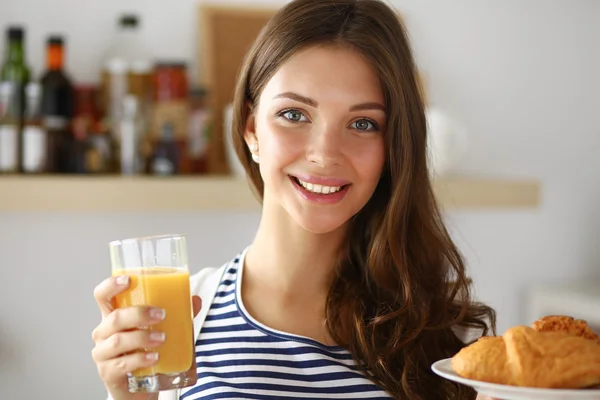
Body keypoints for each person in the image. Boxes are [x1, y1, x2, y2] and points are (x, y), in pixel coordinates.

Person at [91, 0, 498, 399]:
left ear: (393, 148)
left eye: (362, 123)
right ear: (252, 130)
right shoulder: (180, 325)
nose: (324, 153)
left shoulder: (446, 336)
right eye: (294, 115)